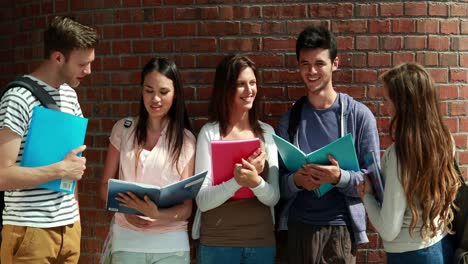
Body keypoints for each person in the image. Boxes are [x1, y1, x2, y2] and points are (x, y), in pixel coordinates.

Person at [276, 25, 380, 263]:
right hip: (298, 229)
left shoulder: (359, 116)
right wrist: (296, 181)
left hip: (340, 232)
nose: (312, 71)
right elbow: (278, 185)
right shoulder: (289, 120)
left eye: (319, 63)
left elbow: (374, 183)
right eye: (305, 64)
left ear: (335, 63)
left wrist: (338, 177)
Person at [0, 16, 98, 263]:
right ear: (58, 57)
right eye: (82, 64)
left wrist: (75, 219)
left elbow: (72, 167)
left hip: (69, 229)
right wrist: (60, 169)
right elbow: (2, 175)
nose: (88, 70)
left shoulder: (70, 96)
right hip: (29, 231)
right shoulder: (18, 99)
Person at [356, 63, 460, 264]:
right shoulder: (445, 140)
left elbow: (388, 229)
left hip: (410, 255)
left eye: (387, 100)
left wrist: (367, 196)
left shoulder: (399, 154)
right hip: (441, 244)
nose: (385, 106)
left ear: (403, 104)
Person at [99, 57, 195, 264]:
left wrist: (157, 214)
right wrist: (127, 211)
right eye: (149, 90)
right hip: (127, 241)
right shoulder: (123, 129)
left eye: (163, 92)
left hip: (172, 245)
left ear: (175, 94)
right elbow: (104, 186)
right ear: (141, 90)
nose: (155, 99)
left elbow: (187, 209)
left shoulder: (186, 139)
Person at [191, 54, 280, 263]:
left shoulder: (267, 133)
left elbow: (274, 197)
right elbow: (202, 201)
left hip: (261, 242)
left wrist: (256, 182)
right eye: (241, 84)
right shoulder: (210, 133)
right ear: (226, 88)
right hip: (217, 243)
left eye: (252, 83)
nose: (249, 91)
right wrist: (236, 182)